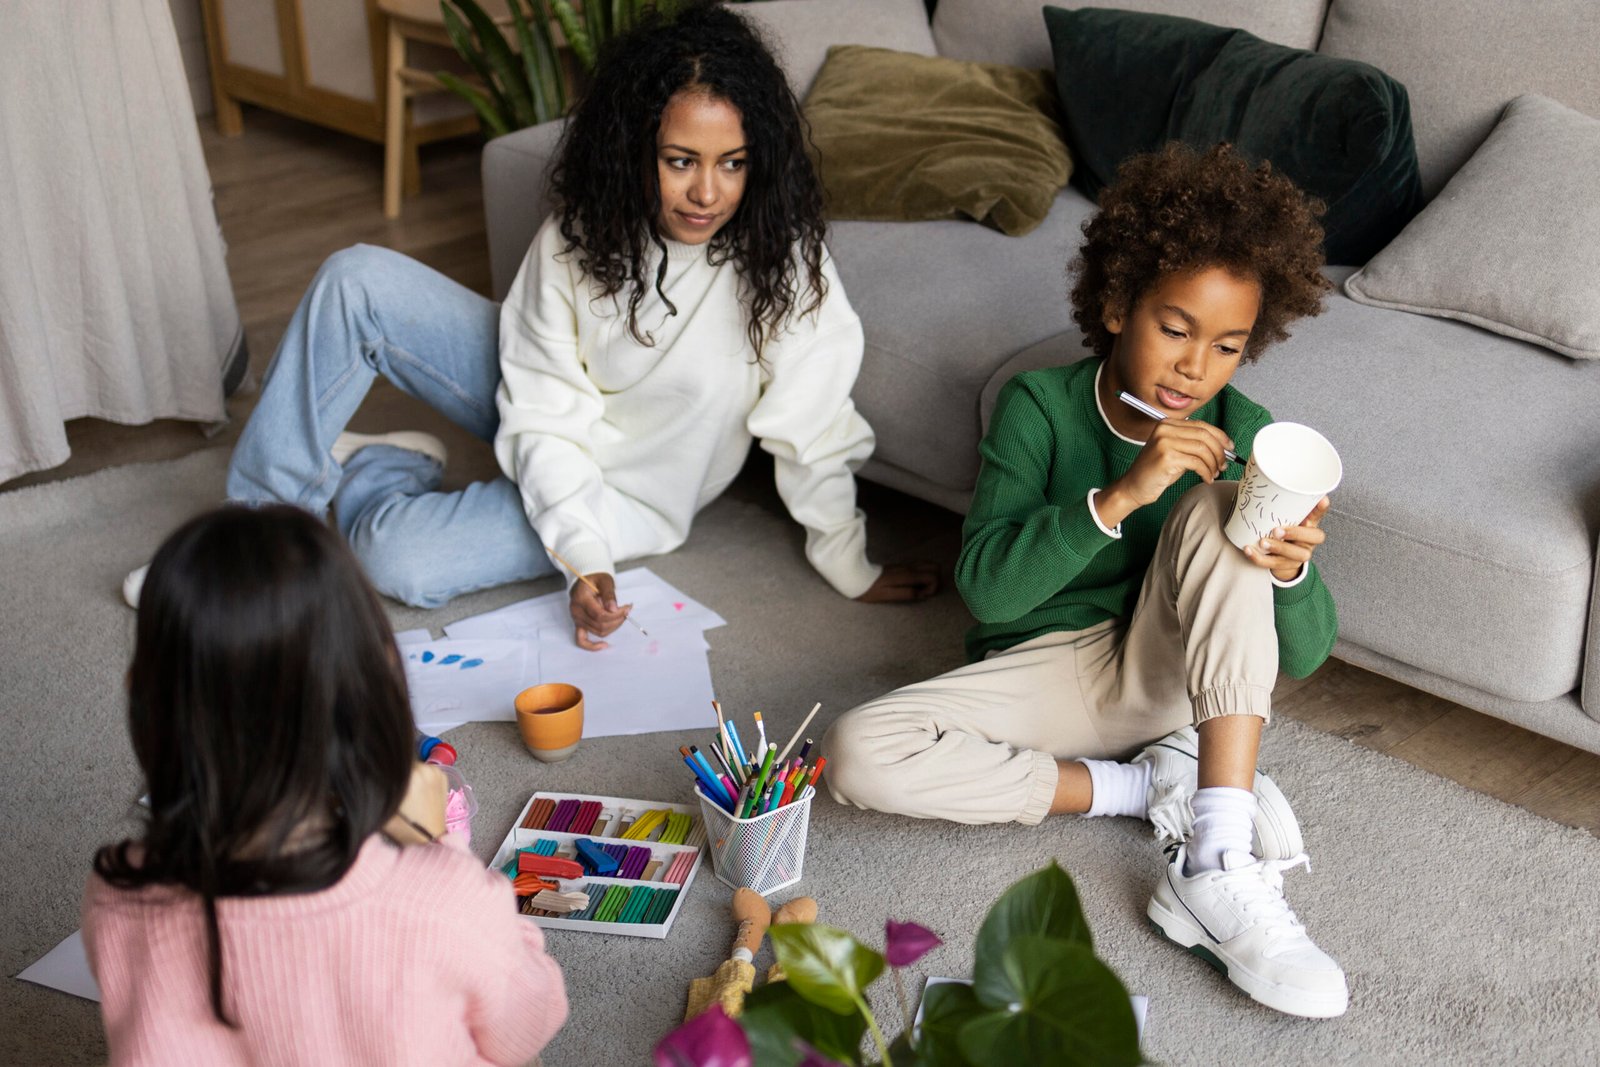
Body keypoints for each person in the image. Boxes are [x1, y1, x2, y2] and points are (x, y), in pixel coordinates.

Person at [125, 1, 936, 647]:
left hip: (625, 491)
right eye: (680, 160)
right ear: (634, 151)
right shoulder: (583, 234)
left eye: (732, 163)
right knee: (356, 280)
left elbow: (814, 424)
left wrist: (846, 556)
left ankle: (378, 466)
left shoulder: (785, 262)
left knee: (393, 559)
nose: (707, 193)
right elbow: (546, 407)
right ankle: (245, 543)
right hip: (544, 406)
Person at [822, 143, 1348, 1019]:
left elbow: (1306, 651)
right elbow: (988, 593)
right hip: (1050, 672)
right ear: (1115, 306)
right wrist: (1124, 492)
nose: (1195, 368)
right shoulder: (1038, 407)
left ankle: (1215, 858)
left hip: (1172, 673)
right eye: (1175, 329)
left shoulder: (1244, 431)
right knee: (854, 751)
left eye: (1226, 346)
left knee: (1226, 502)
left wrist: (1290, 569)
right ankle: (1148, 787)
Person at [85, 505, 568, 1065]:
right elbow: (532, 1020)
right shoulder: (441, 901)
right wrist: (447, 857)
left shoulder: (117, 895)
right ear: (381, 682)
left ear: (144, 698)